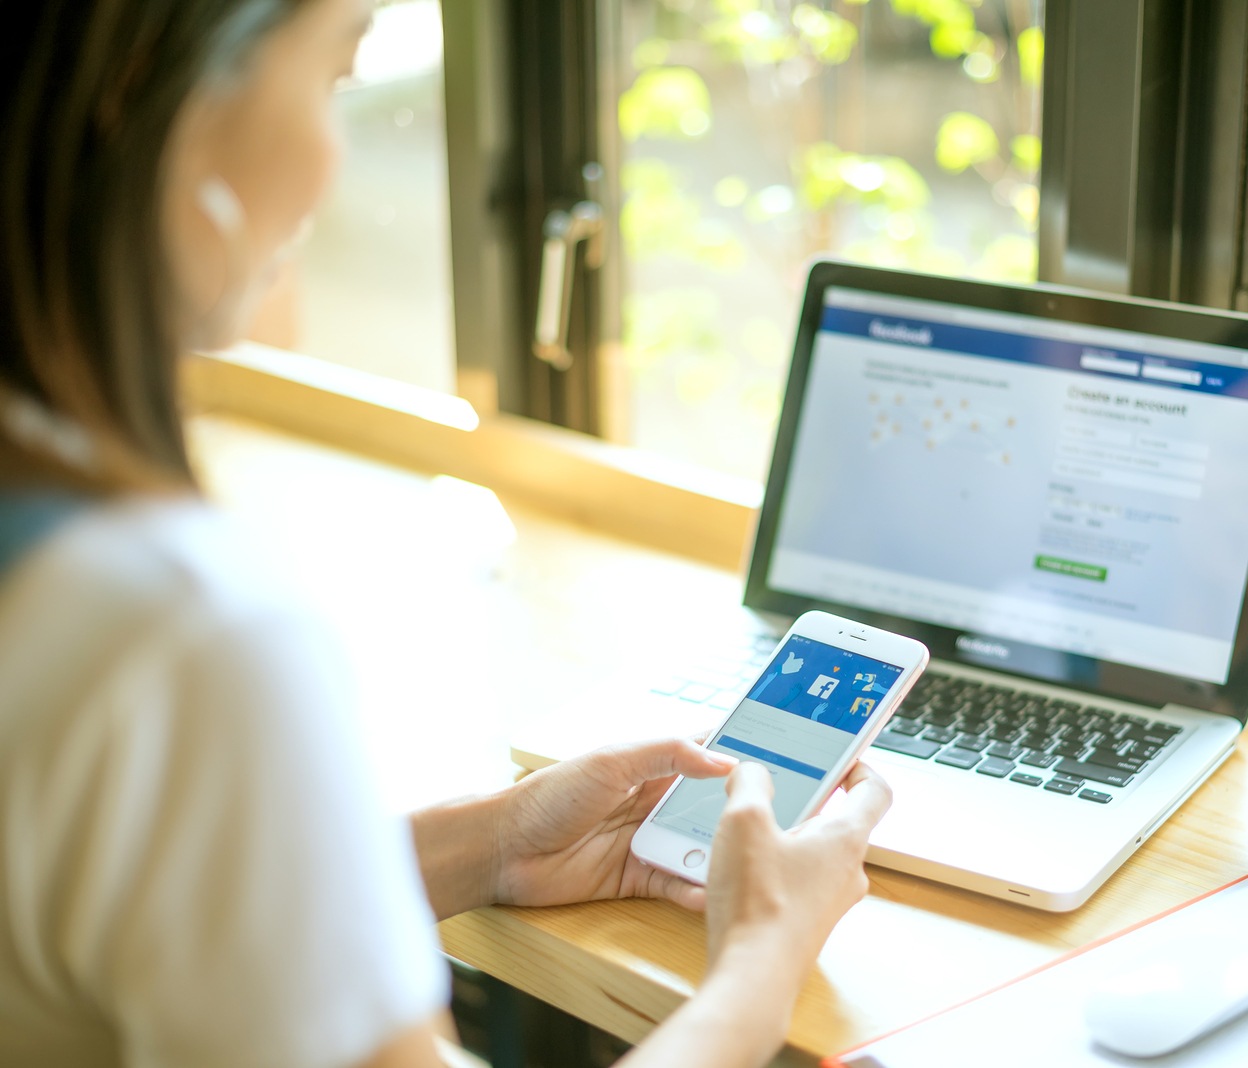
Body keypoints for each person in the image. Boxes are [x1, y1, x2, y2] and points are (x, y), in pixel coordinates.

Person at [0, 2, 893, 1066]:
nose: (334, 160)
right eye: (336, 75)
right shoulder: (187, 635)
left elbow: (131, 892)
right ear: (153, 87)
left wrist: (491, 845)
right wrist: (761, 955)